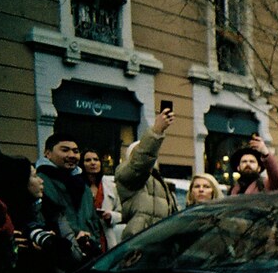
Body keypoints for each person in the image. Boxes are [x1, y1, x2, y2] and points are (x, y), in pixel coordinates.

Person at [35, 132, 105, 264]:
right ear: (47, 153)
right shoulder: (40, 181)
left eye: (75, 151)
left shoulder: (82, 185)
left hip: (88, 256)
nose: (72, 155)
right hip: (58, 258)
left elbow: (93, 221)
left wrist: (94, 242)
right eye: (65, 150)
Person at [115, 106, 179, 240]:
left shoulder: (160, 182)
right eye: (138, 152)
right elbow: (140, 163)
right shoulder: (126, 175)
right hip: (138, 245)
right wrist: (156, 131)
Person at [81, 149, 124, 248]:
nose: (92, 163)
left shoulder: (112, 186)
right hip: (86, 235)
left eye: (96, 160)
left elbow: (121, 213)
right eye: (88, 160)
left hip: (105, 236)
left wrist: (110, 216)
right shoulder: (78, 186)